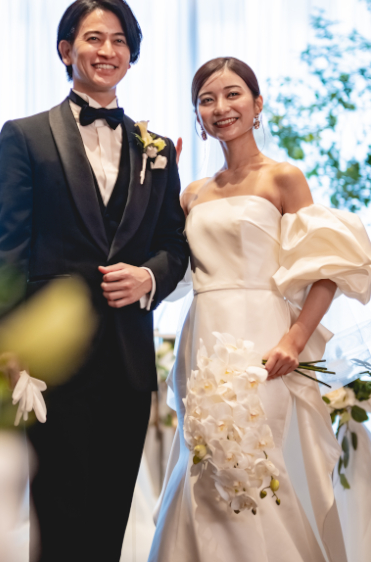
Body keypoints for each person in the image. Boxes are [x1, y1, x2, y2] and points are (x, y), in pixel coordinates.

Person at [0, 0, 189, 562]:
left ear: (131, 55)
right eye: (94, 38)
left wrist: (148, 277)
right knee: (56, 520)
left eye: (120, 41)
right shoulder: (24, 136)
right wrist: (5, 344)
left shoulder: (156, 150)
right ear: (66, 49)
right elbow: (6, 249)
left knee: (108, 520)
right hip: (50, 360)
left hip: (126, 363)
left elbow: (176, 245)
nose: (108, 50)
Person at [148, 57, 371, 562]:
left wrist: (295, 338)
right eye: (207, 100)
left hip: (262, 341)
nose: (221, 107)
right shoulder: (192, 193)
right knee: (201, 462)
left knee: (250, 463)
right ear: (198, 115)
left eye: (233, 94)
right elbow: (168, 265)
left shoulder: (283, 177)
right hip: (202, 339)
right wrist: (159, 187)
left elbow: (327, 268)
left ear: (257, 103)